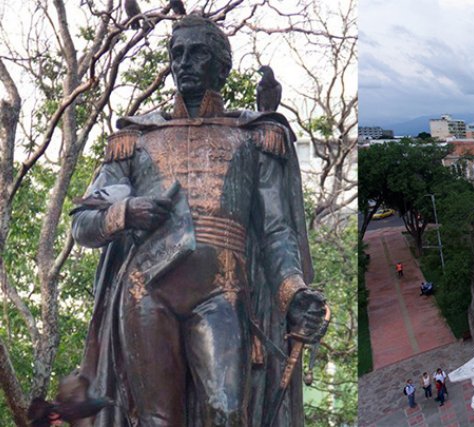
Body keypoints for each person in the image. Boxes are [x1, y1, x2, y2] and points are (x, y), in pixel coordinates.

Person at [70, 14, 327, 427]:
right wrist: (125, 212)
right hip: (146, 291)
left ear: (222, 66)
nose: (183, 63)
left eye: (197, 53)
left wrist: (294, 294)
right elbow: (83, 223)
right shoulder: (136, 138)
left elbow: (276, 233)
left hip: (221, 290)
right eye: (177, 54)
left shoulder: (251, 137)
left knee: (227, 411)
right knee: (156, 419)